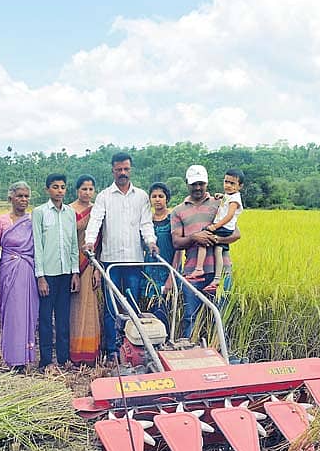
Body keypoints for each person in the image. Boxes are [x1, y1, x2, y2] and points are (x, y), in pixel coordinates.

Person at [84, 152, 158, 360]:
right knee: (111, 306)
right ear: (113, 170)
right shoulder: (104, 196)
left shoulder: (141, 196)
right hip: (111, 261)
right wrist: (89, 241)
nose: (123, 173)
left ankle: (133, 349)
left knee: (132, 306)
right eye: (119, 169)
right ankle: (112, 350)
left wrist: (151, 242)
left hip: (134, 260)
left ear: (130, 169)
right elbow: (95, 221)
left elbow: (146, 224)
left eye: (126, 169)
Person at [171, 165, 240, 338]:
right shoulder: (178, 210)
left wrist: (214, 239)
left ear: (207, 183)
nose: (198, 188)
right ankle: (191, 350)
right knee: (191, 318)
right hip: (193, 273)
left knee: (220, 318)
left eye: (201, 184)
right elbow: (177, 242)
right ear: (187, 183)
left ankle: (221, 352)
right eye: (194, 184)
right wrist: (195, 237)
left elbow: (236, 234)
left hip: (221, 272)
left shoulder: (220, 203)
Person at [32, 173, 80, 370]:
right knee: (45, 318)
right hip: (48, 275)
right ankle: (45, 360)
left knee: (63, 318)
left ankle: (63, 359)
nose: (59, 191)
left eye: (62, 187)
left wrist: (75, 272)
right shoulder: (39, 212)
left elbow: (74, 244)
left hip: (65, 273)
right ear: (47, 190)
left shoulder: (70, 213)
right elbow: (37, 245)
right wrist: (40, 276)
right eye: (55, 187)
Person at [0, 181, 37, 370]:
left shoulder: (33, 221)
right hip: (8, 271)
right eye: (20, 196)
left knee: (27, 312)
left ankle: (25, 357)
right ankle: (12, 358)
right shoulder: (1, 221)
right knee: (12, 314)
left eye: (26, 196)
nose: (23, 199)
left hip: (28, 271)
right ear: (10, 197)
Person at [188, 168, 245, 293]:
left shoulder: (235, 200)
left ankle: (199, 268)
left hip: (224, 227)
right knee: (218, 250)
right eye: (226, 182)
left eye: (232, 183)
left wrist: (215, 227)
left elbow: (229, 216)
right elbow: (227, 200)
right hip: (226, 228)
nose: (228, 185)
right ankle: (217, 278)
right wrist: (221, 196)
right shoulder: (230, 196)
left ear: (240, 186)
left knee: (203, 236)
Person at [69, 175, 102, 364]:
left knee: (89, 307)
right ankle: (74, 351)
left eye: (90, 189)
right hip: (73, 265)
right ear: (77, 190)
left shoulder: (97, 211)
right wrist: (73, 268)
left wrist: (97, 268)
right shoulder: (68, 210)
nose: (87, 193)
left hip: (90, 264)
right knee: (74, 308)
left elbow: (100, 241)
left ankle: (89, 352)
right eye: (84, 189)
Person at [142, 182, 179, 327]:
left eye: (161, 196)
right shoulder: (146, 221)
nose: (157, 199)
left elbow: (178, 250)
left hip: (167, 271)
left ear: (167, 198)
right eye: (154, 196)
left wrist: (171, 277)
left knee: (165, 312)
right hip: (149, 274)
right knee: (150, 313)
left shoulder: (172, 219)